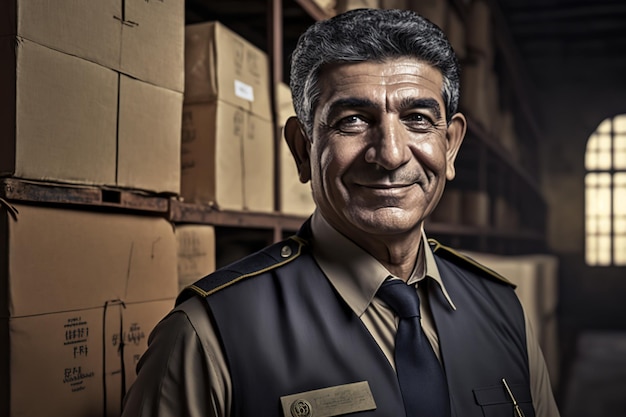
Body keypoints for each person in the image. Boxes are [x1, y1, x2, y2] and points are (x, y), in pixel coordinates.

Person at [122, 8, 560, 417]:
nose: (390, 154)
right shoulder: (207, 338)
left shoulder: (505, 312)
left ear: (451, 146)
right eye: (353, 119)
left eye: (418, 119)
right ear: (301, 148)